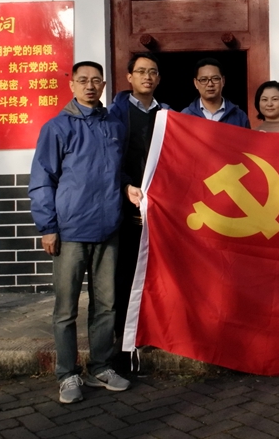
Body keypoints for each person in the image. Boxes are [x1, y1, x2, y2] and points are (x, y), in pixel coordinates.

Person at [29, 61, 140, 404]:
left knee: (106, 305)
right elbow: (42, 179)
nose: (90, 86)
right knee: (66, 309)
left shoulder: (114, 125)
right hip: (71, 230)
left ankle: (101, 366)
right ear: (72, 85)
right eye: (83, 80)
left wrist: (127, 187)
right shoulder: (57, 128)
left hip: (108, 228)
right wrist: (48, 227)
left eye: (96, 80)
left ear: (104, 85)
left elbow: (116, 171)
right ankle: (67, 373)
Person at [107, 52, 170, 368]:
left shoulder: (168, 115)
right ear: (129, 77)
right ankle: (123, 340)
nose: (147, 77)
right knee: (125, 273)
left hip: (159, 210)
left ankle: (152, 331)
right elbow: (109, 160)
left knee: (157, 273)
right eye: (141, 71)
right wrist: (125, 186)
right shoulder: (114, 114)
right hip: (125, 205)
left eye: (153, 72)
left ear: (159, 79)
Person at [180, 57, 251, 128]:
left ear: (223, 81)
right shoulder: (185, 115)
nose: (210, 84)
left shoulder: (239, 116)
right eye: (204, 79)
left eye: (215, 78)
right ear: (195, 83)